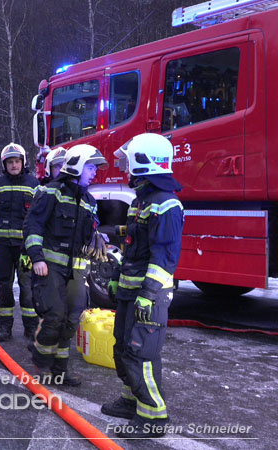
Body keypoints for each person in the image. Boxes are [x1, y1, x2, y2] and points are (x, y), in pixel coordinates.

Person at [101, 133, 183, 438]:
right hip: (130, 293)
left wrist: (149, 295)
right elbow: (135, 246)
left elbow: (164, 256)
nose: (126, 171)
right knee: (122, 346)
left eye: (130, 164)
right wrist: (115, 278)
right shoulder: (142, 201)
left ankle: (153, 417)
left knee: (141, 353)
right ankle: (130, 399)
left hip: (148, 296)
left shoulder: (166, 204)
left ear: (143, 162)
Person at [23, 144, 107, 386]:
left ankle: (60, 371)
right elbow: (33, 226)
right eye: (91, 168)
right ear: (77, 166)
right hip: (50, 267)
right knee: (55, 315)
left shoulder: (90, 200)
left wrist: (97, 239)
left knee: (72, 319)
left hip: (77, 270)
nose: (94, 173)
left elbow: (89, 231)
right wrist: (37, 258)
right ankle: (41, 357)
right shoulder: (51, 192)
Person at [0, 143, 40, 341]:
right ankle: (5, 328)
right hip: (2, 248)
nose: (14, 165)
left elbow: (39, 218)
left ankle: (31, 328)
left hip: (26, 249)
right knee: (4, 287)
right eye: (10, 162)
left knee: (28, 289)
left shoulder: (34, 185)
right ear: (4, 164)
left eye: (17, 161)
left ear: (23, 162)